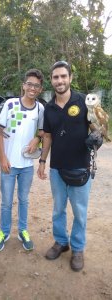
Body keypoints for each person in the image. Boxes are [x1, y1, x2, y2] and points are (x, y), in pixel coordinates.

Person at [37, 61, 102, 272]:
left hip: (81, 167)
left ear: (70, 78)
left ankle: (78, 249)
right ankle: (61, 242)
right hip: (57, 168)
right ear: (51, 80)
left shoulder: (84, 101)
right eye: (56, 77)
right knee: (58, 210)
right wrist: (42, 161)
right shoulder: (49, 108)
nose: (60, 81)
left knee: (80, 212)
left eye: (63, 76)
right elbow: (47, 136)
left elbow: (96, 127)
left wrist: (97, 137)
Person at [0, 69, 44, 252]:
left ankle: (23, 231)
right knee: (6, 201)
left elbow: (41, 132)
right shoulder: (10, 104)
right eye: (29, 84)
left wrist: (37, 139)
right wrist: (2, 158)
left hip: (27, 167)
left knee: (24, 200)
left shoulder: (40, 109)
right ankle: (4, 232)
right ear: (23, 85)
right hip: (8, 165)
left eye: (36, 85)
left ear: (40, 89)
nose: (32, 88)